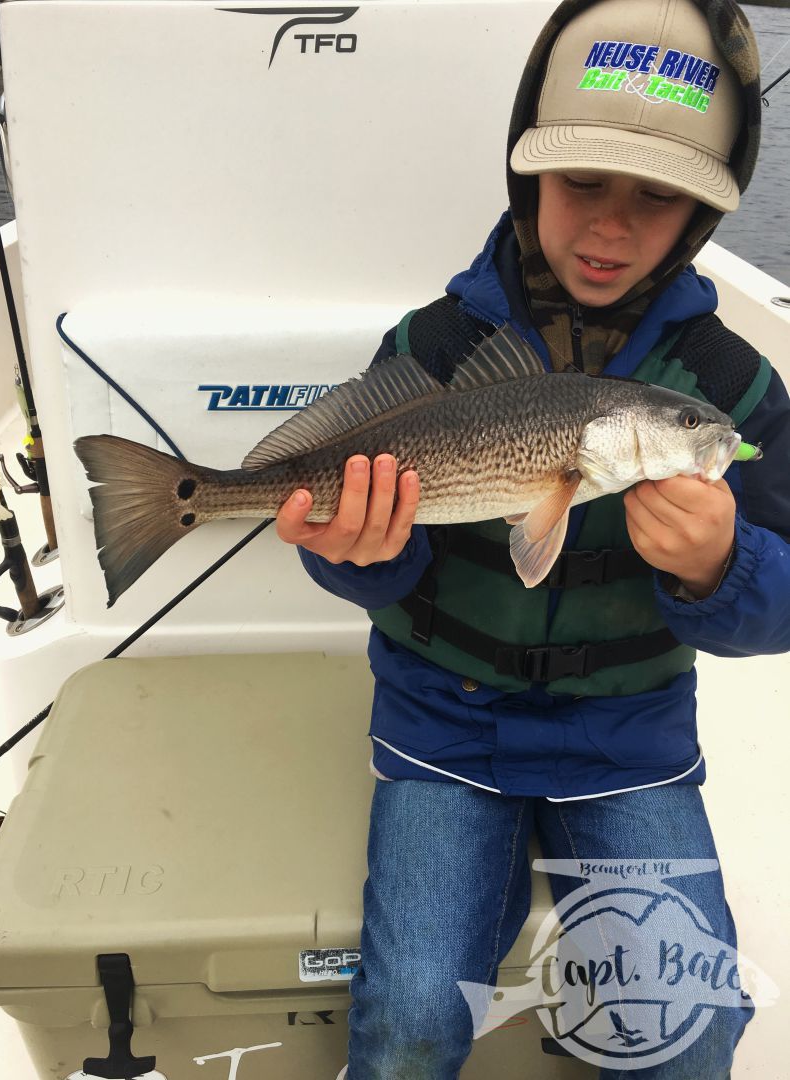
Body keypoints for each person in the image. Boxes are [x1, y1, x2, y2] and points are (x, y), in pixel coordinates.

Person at [277, 0, 790, 1075]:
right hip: (442, 731)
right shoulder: (434, 344)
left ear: (701, 214)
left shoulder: (735, 392)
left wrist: (721, 566)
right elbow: (371, 559)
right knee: (410, 1016)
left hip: (627, 742)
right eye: (580, 183)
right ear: (528, 177)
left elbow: (780, 602)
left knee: (695, 1027)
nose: (610, 226)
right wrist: (356, 550)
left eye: (658, 197)